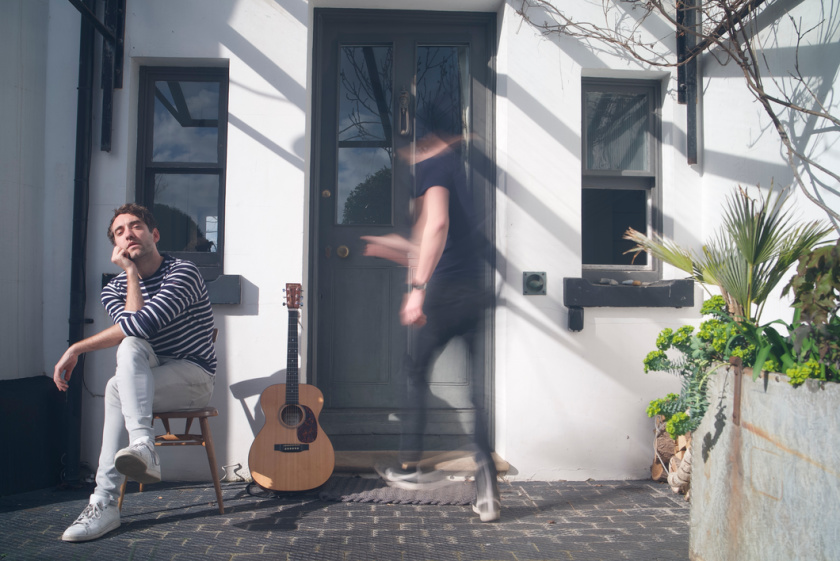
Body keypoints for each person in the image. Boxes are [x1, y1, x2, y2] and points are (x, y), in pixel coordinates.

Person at [53, 203, 217, 542]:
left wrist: (77, 348)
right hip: (149, 374)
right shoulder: (113, 289)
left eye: (136, 226)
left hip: (194, 376)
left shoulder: (182, 272)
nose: (129, 234)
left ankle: (108, 499)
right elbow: (131, 333)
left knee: (125, 359)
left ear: (154, 234)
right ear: (115, 245)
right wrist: (128, 278)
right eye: (119, 232)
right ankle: (118, 481)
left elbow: (140, 324)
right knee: (124, 362)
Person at [362, 129, 500, 522]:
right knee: (477, 390)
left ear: (424, 144)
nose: (406, 158)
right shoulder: (458, 171)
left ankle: (411, 467)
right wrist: (394, 248)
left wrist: (418, 290)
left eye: (407, 150)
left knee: (415, 373)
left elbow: (437, 226)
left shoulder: (433, 165)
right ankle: (487, 484)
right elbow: (435, 241)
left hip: (444, 294)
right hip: (474, 292)